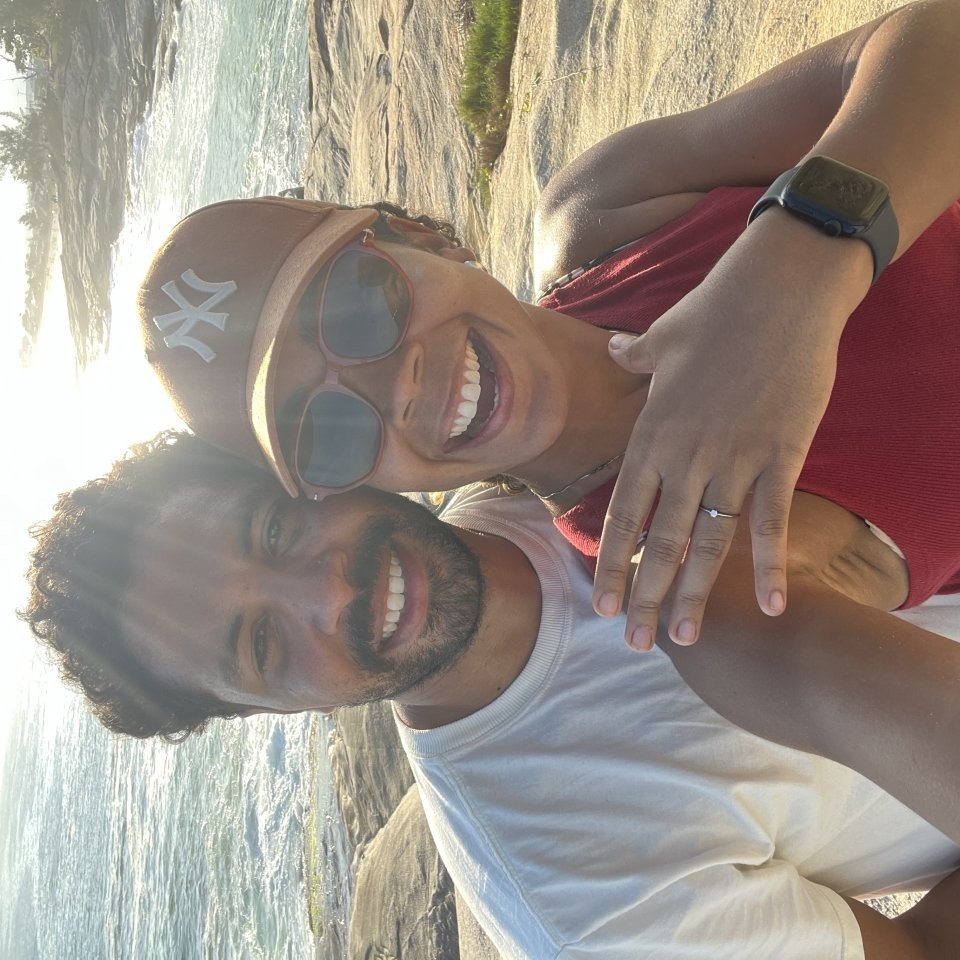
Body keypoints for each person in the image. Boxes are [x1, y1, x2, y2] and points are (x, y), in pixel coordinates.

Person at [136, 0, 960, 655]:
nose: (396, 389)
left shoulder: (604, 216)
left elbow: (933, 40)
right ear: (357, 488)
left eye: (356, 302)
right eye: (327, 433)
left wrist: (798, 278)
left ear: (418, 236)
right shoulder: (684, 566)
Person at [20, 432, 960, 958]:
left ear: (307, 475)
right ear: (274, 712)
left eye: (272, 531)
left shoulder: (547, 449)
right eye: (263, 642)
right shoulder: (577, 899)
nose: (330, 594)